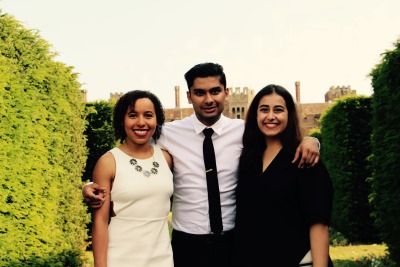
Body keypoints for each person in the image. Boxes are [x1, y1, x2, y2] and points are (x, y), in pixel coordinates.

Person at [84, 63, 320, 267]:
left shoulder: (245, 131)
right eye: (200, 92)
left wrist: (312, 140)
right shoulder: (167, 134)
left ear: (226, 93)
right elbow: (130, 155)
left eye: (215, 91)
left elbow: (280, 137)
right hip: (187, 244)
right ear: (189, 96)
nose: (208, 99)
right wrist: (88, 187)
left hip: (233, 242)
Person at [233, 84, 333, 267]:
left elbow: (318, 224)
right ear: (255, 115)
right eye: (264, 110)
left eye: (278, 110)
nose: (270, 116)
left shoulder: (303, 158)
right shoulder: (248, 159)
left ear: (289, 115)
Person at [91, 90, 174, 267]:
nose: (141, 122)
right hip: (121, 258)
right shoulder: (108, 162)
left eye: (148, 115)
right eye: (133, 115)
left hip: (162, 257)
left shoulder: (167, 159)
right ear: (122, 120)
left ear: (157, 120)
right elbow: (100, 221)